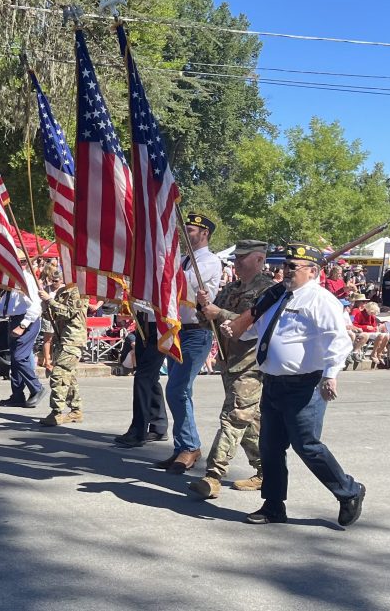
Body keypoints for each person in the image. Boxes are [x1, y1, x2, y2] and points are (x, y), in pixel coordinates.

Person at [221, 242, 365, 527]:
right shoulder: (277, 296)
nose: (285, 271)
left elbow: (338, 340)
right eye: (285, 265)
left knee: (307, 445)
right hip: (273, 383)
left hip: (305, 385)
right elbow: (265, 330)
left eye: (293, 267)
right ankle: (273, 505)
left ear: (312, 271)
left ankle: (349, 490)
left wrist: (330, 375)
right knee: (270, 447)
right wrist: (239, 328)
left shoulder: (321, 300)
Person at [189, 239, 274, 499]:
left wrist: (220, 312)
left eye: (243, 257)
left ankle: (213, 476)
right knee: (249, 422)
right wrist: (203, 306)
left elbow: (255, 324)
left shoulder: (268, 290)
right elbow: (207, 322)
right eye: (235, 257)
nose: (236, 262)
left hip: (252, 364)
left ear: (259, 259)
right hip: (230, 362)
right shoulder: (232, 288)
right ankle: (265, 471)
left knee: (233, 418)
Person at [156, 212, 222, 474]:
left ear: (204, 233)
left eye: (190, 231)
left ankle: (190, 446)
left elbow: (183, 285)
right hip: (178, 330)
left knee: (177, 390)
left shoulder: (209, 261)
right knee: (180, 391)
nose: (186, 235)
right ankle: (182, 446)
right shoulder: (183, 259)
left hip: (196, 332)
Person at [113, 301, 169, 447]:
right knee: (150, 377)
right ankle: (159, 426)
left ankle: (138, 431)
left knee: (143, 377)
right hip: (143, 323)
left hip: (161, 324)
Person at [38, 279, 88, 426]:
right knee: (68, 377)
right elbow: (54, 316)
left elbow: (70, 312)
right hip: (62, 339)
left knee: (58, 375)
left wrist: (50, 300)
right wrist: (45, 305)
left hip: (73, 339)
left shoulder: (79, 292)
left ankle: (56, 413)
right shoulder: (62, 292)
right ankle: (76, 410)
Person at [0, 250, 45, 407]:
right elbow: (8, 304)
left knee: (19, 357)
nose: (21, 264)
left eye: (23, 262)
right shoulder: (12, 280)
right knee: (15, 359)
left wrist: (23, 325)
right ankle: (17, 395)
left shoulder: (27, 280)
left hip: (28, 320)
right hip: (15, 319)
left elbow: (36, 306)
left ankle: (37, 388)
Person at [353, 301, 390, 365]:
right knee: (379, 335)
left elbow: (374, 326)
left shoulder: (372, 316)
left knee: (386, 335)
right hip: (363, 332)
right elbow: (355, 325)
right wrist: (366, 327)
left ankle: (378, 353)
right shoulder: (360, 314)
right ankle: (374, 354)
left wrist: (375, 328)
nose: (373, 314)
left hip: (371, 332)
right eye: (373, 312)